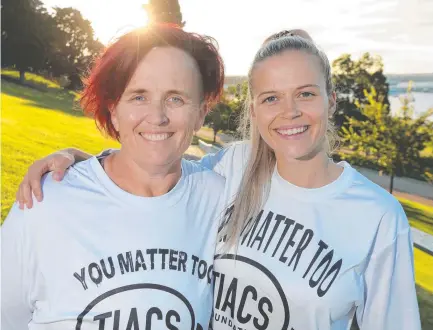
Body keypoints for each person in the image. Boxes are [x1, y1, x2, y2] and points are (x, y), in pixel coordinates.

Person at [12, 30, 421, 329]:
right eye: (271, 98)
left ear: (331, 100)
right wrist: (75, 164)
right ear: (255, 108)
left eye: (307, 94)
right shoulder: (234, 170)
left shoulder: (377, 218)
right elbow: (143, 167)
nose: (289, 112)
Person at [1, 24, 226, 330]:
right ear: (114, 111)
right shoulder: (47, 201)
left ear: (200, 113)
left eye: (176, 99)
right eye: (138, 97)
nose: (157, 116)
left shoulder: (220, 198)